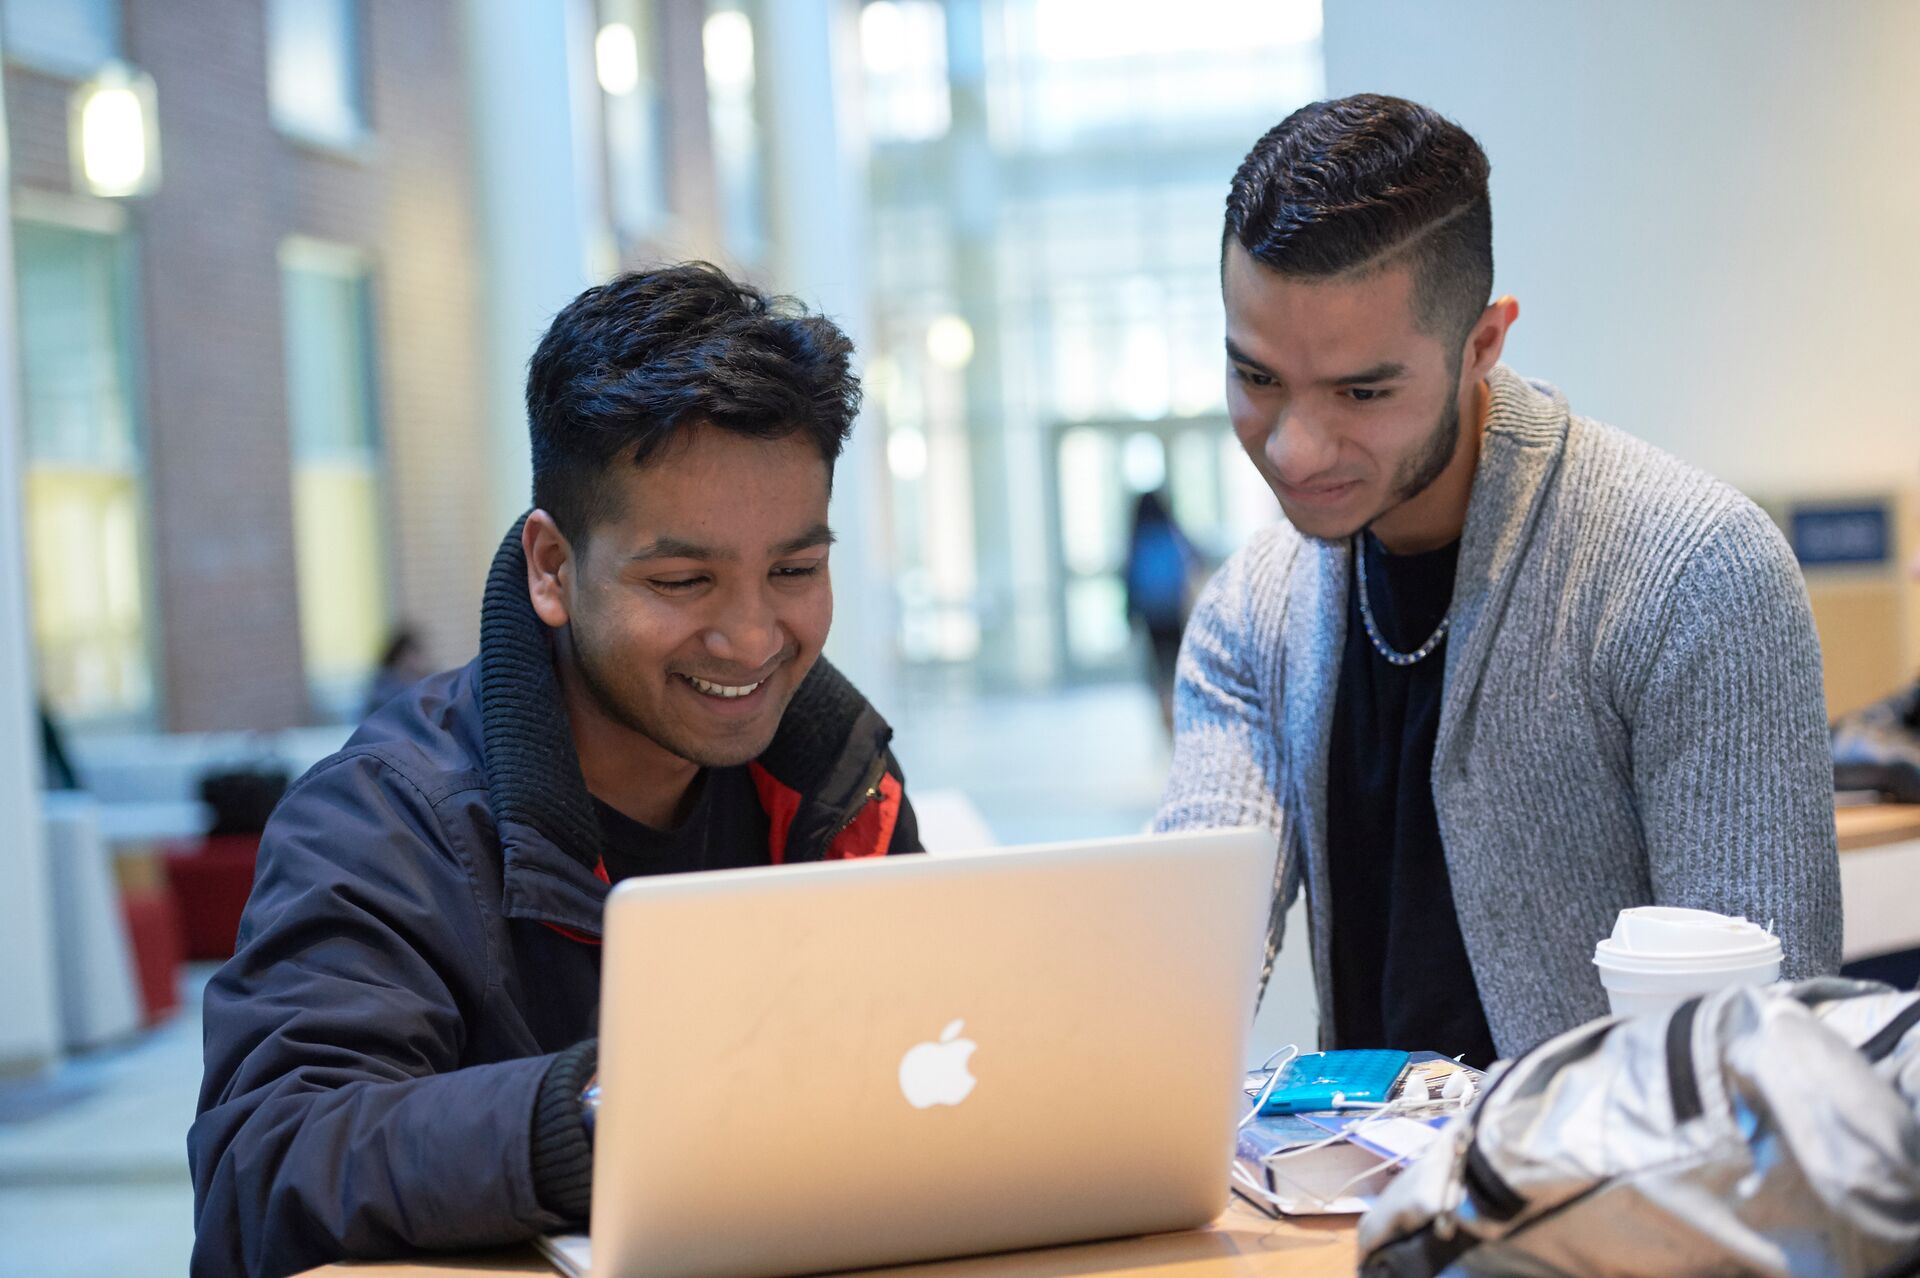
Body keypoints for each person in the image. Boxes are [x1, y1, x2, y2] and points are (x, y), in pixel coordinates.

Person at [189, 264, 921, 1278]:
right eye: (682, 580)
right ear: (551, 568)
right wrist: (605, 1114)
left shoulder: (838, 780)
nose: (754, 638)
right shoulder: (380, 822)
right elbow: (265, 1173)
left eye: (795, 572)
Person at [1156, 94, 1841, 1067]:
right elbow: (1187, 958)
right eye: (1258, 378)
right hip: (1360, 1201)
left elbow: (1770, 1055)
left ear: (1483, 344)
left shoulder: (1692, 573)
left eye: (1362, 392)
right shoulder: (1250, 611)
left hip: (1611, 1203)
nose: (1297, 448)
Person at [1123, 488, 1199, 734]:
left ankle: (1166, 712)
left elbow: (1130, 578)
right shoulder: (1170, 531)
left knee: (1160, 666)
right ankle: (1179, 710)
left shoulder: (1138, 536)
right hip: (1173, 609)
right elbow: (1193, 560)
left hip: (1150, 614)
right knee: (1178, 662)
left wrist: (1130, 615)